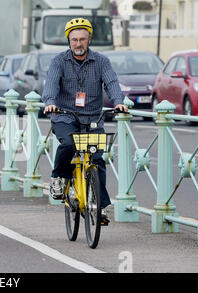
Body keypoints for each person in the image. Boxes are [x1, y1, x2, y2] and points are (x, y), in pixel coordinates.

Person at [42, 18, 128, 224]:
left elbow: (112, 83)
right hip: (64, 115)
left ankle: (99, 207)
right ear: (68, 41)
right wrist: (50, 102)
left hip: (92, 119)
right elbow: (51, 85)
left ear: (89, 40)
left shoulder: (101, 62)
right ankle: (57, 177)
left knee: (97, 160)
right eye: (74, 40)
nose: (78, 44)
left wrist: (119, 102)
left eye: (82, 39)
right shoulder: (58, 61)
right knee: (69, 144)